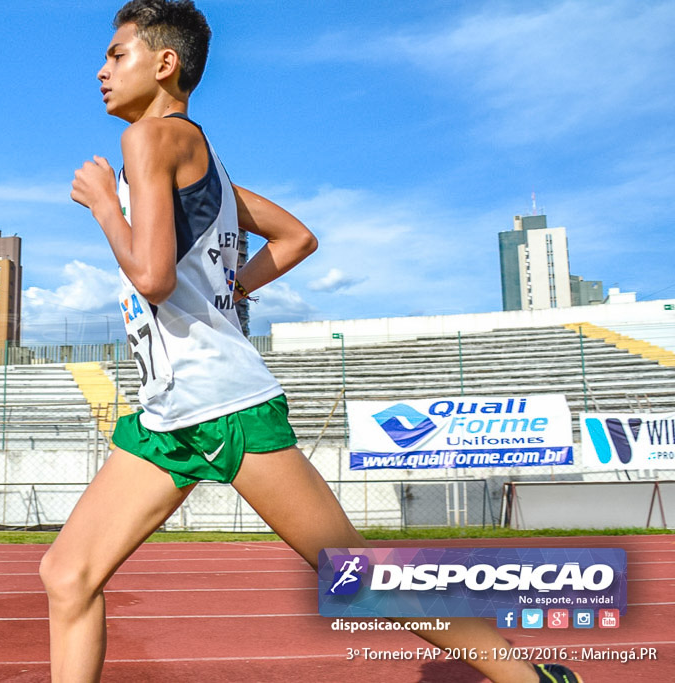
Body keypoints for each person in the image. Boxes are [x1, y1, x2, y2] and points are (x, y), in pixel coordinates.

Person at [39, 2, 582, 682]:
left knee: (358, 575)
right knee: (67, 572)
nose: (101, 70)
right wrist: (228, 292)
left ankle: (525, 675)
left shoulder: (149, 142)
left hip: (223, 405)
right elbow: (297, 237)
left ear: (165, 63)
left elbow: (150, 277)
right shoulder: (190, 161)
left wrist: (101, 208)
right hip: (168, 413)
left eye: (117, 55)